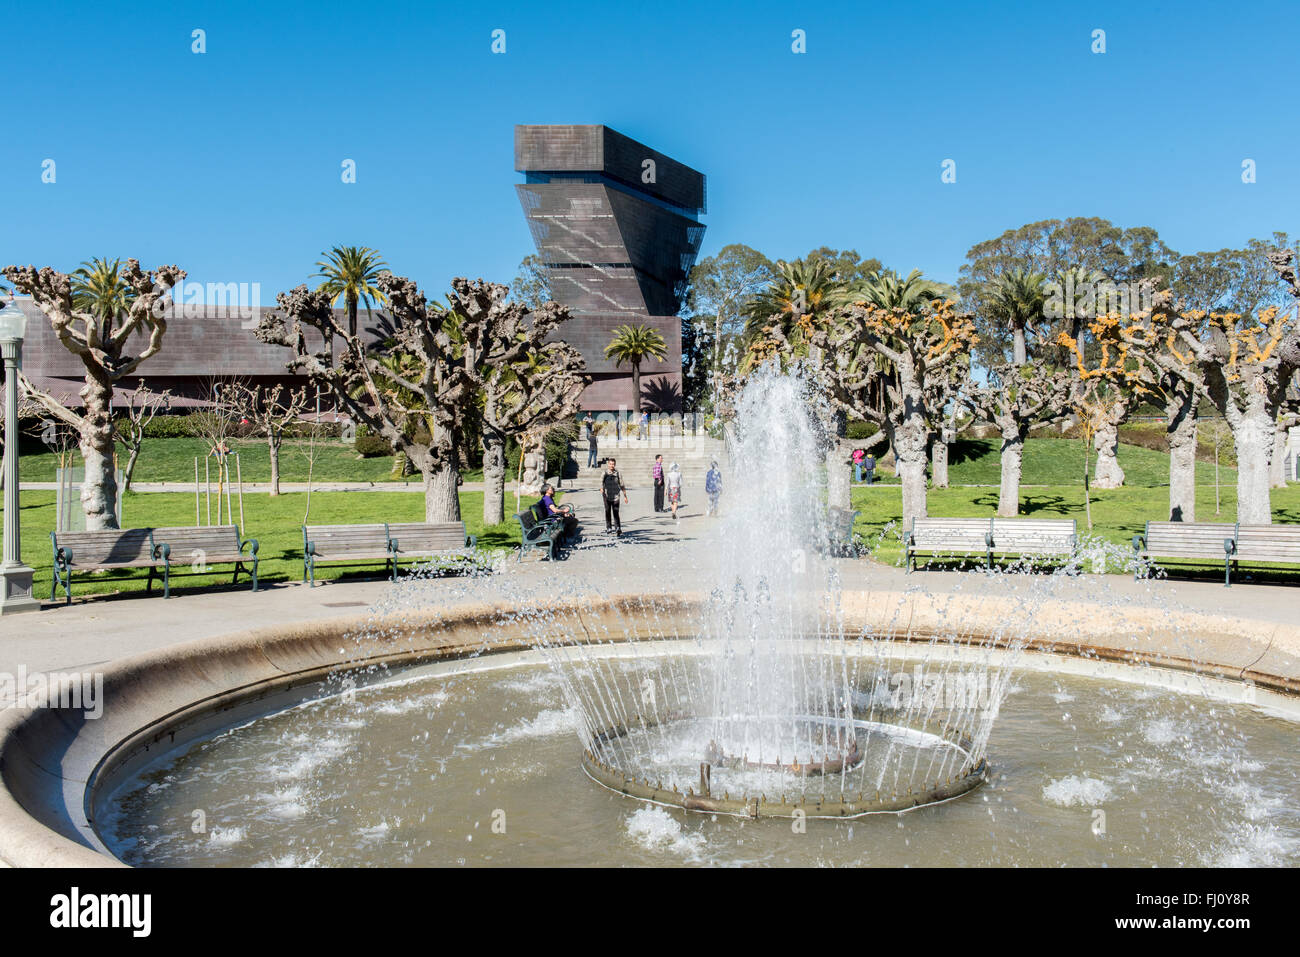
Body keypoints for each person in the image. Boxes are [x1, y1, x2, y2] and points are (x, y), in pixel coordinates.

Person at [601, 457, 628, 536]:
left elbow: (622, 485)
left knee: (616, 512)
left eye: (613, 464)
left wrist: (625, 496)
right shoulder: (605, 473)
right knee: (607, 512)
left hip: (616, 496)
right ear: (608, 464)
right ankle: (609, 528)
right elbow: (601, 483)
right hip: (607, 496)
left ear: (615, 465)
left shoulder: (618, 473)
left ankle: (618, 528)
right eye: (610, 464)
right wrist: (601, 489)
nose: (612, 465)